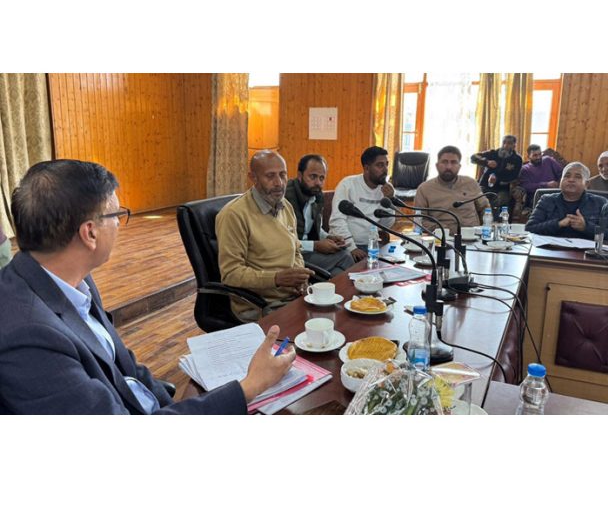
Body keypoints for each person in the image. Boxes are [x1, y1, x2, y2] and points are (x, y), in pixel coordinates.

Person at [0, 159, 295, 414]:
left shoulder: (72, 279)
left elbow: (123, 364)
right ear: (89, 233)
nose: (118, 224)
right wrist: (249, 387)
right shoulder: (29, 335)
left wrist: (168, 402)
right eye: (115, 215)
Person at [217, 150, 314, 322]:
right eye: (270, 176)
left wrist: (300, 280)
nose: (279, 183)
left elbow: (297, 250)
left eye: (283, 175)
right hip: (261, 305)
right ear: (253, 178)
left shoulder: (285, 206)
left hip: (292, 296)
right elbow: (230, 274)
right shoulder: (234, 215)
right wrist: (276, 279)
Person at [284, 154, 354, 276]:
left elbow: (314, 229)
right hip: (290, 256)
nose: (318, 183)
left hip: (307, 251)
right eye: (313, 177)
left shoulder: (316, 197)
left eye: (322, 178)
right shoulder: (286, 198)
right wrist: (315, 245)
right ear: (300, 176)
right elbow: (282, 242)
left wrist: (329, 237)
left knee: (337, 273)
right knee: (345, 256)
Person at [329, 146, 395, 261]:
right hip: (345, 246)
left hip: (373, 246)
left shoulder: (387, 189)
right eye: (380, 165)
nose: (385, 169)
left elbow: (386, 226)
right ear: (367, 168)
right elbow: (337, 220)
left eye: (386, 164)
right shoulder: (348, 185)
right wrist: (352, 247)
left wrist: (389, 200)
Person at [526, 161, 608, 240]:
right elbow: (530, 228)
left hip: (586, 256)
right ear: (560, 181)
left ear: (586, 184)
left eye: (577, 177)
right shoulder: (546, 200)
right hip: (550, 251)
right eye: (567, 176)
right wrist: (558, 224)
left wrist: (586, 227)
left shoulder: (601, 203)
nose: (571, 180)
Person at [414, 145, 489, 233]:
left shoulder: (471, 183)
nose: (449, 167)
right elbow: (420, 220)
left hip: (474, 237)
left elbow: (485, 209)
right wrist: (443, 229)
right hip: (442, 239)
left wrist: (485, 231)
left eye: (453, 162)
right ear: (437, 165)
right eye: (444, 162)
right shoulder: (424, 189)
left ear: (459, 166)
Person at [470, 134, 522, 214]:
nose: (505, 145)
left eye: (509, 143)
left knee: (501, 201)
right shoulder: (493, 153)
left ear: (514, 145)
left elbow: (514, 176)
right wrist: (486, 162)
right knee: (476, 198)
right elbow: (473, 157)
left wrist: (497, 179)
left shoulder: (517, 159)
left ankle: (494, 221)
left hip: (502, 188)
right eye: (504, 142)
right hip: (485, 185)